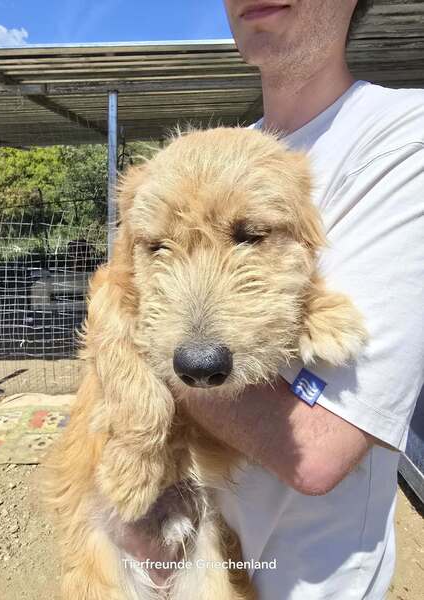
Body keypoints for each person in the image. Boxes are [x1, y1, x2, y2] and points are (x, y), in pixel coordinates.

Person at [180, 1, 424, 598]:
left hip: (306, 581)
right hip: (189, 544)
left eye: (250, 234)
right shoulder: (216, 154)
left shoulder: (403, 137)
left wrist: (137, 343)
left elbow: (317, 450)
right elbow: (125, 278)